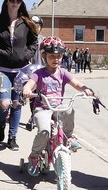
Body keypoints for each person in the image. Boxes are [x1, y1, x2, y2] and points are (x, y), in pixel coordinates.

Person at [22, 36, 94, 176]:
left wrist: (85, 88)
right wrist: (27, 90)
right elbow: (30, 84)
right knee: (44, 131)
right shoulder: (39, 73)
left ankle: (69, 137)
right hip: (42, 108)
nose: (56, 59)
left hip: (58, 106)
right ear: (44, 57)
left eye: (59, 56)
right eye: (52, 56)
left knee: (69, 109)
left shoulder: (63, 72)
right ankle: (35, 156)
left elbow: (76, 83)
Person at [0, 0, 38, 150]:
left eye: (18, 0)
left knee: (16, 103)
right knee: (4, 103)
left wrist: (26, 55)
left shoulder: (26, 22)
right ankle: (1, 126)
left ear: (21, 2)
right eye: (12, 0)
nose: (15, 3)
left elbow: (34, 43)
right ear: (7, 1)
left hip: (21, 71)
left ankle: (12, 137)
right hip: (2, 69)